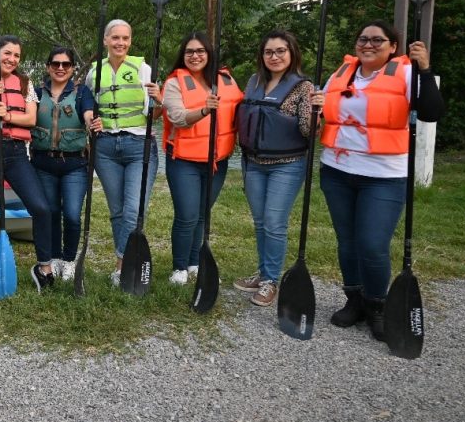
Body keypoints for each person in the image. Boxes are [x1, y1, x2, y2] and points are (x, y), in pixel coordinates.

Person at [316, 20, 444, 341]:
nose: (368, 45)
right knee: (347, 242)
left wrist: (425, 70)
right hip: (336, 171)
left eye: (377, 40)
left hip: (383, 176)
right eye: (363, 39)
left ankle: (376, 304)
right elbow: (323, 112)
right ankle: (354, 299)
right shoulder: (341, 73)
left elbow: (431, 112)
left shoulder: (405, 73)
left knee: (372, 245)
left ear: (392, 47)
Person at [0, 35, 53, 292]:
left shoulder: (25, 83)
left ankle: (44, 267)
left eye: (16, 55)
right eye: (7, 53)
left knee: (41, 208)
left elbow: (31, 119)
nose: (12, 59)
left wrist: (9, 115)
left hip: (16, 153)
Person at [233, 30, 313, 306]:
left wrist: (317, 112)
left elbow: (308, 131)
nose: (275, 56)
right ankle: (263, 272)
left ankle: (271, 281)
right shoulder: (254, 81)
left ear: (292, 53)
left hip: (287, 165)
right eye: (269, 52)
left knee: (274, 223)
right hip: (254, 162)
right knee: (260, 222)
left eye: (281, 51)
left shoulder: (303, 87)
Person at [162, 32, 243, 285]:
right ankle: (179, 268)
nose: (195, 56)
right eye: (189, 52)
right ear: (183, 55)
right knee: (186, 215)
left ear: (208, 54)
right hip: (183, 160)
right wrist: (205, 110)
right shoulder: (174, 83)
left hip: (217, 161)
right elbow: (177, 117)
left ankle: (194, 262)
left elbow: (241, 110)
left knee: (201, 214)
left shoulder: (225, 79)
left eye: (200, 51)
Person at [86, 19, 163, 286]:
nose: (121, 43)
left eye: (125, 38)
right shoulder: (94, 72)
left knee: (133, 209)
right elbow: (88, 105)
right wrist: (90, 120)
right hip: (105, 147)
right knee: (117, 211)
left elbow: (155, 113)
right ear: (106, 40)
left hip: (138, 144)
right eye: (115, 38)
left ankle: (122, 265)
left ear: (130, 41)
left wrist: (159, 100)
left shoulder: (143, 69)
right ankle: (124, 264)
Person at [30, 46, 99, 282]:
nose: (60, 68)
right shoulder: (36, 92)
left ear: (72, 68)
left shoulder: (82, 93)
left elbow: (88, 114)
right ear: (48, 67)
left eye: (66, 64)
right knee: (50, 212)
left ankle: (69, 260)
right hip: (43, 163)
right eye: (56, 64)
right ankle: (54, 257)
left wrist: (92, 122)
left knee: (71, 215)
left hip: (75, 164)